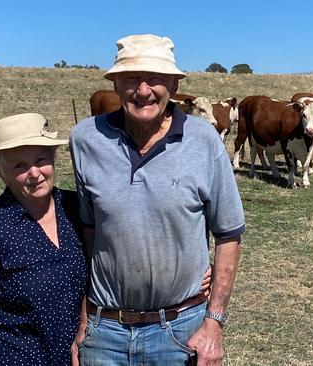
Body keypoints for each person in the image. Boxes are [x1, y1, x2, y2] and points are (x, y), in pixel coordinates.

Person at [69, 34, 245, 365]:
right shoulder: (85, 139)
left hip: (180, 330)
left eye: (156, 79)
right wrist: (84, 321)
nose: (144, 90)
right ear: (116, 84)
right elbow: (91, 234)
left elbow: (229, 234)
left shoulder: (203, 140)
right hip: (105, 332)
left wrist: (214, 324)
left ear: (174, 85)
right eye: (132, 78)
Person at [0, 113, 87, 365]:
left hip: (74, 356)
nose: (34, 173)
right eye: (19, 166)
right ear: (1, 172)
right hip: (12, 357)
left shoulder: (76, 209)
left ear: (53, 159)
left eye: (41, 160)